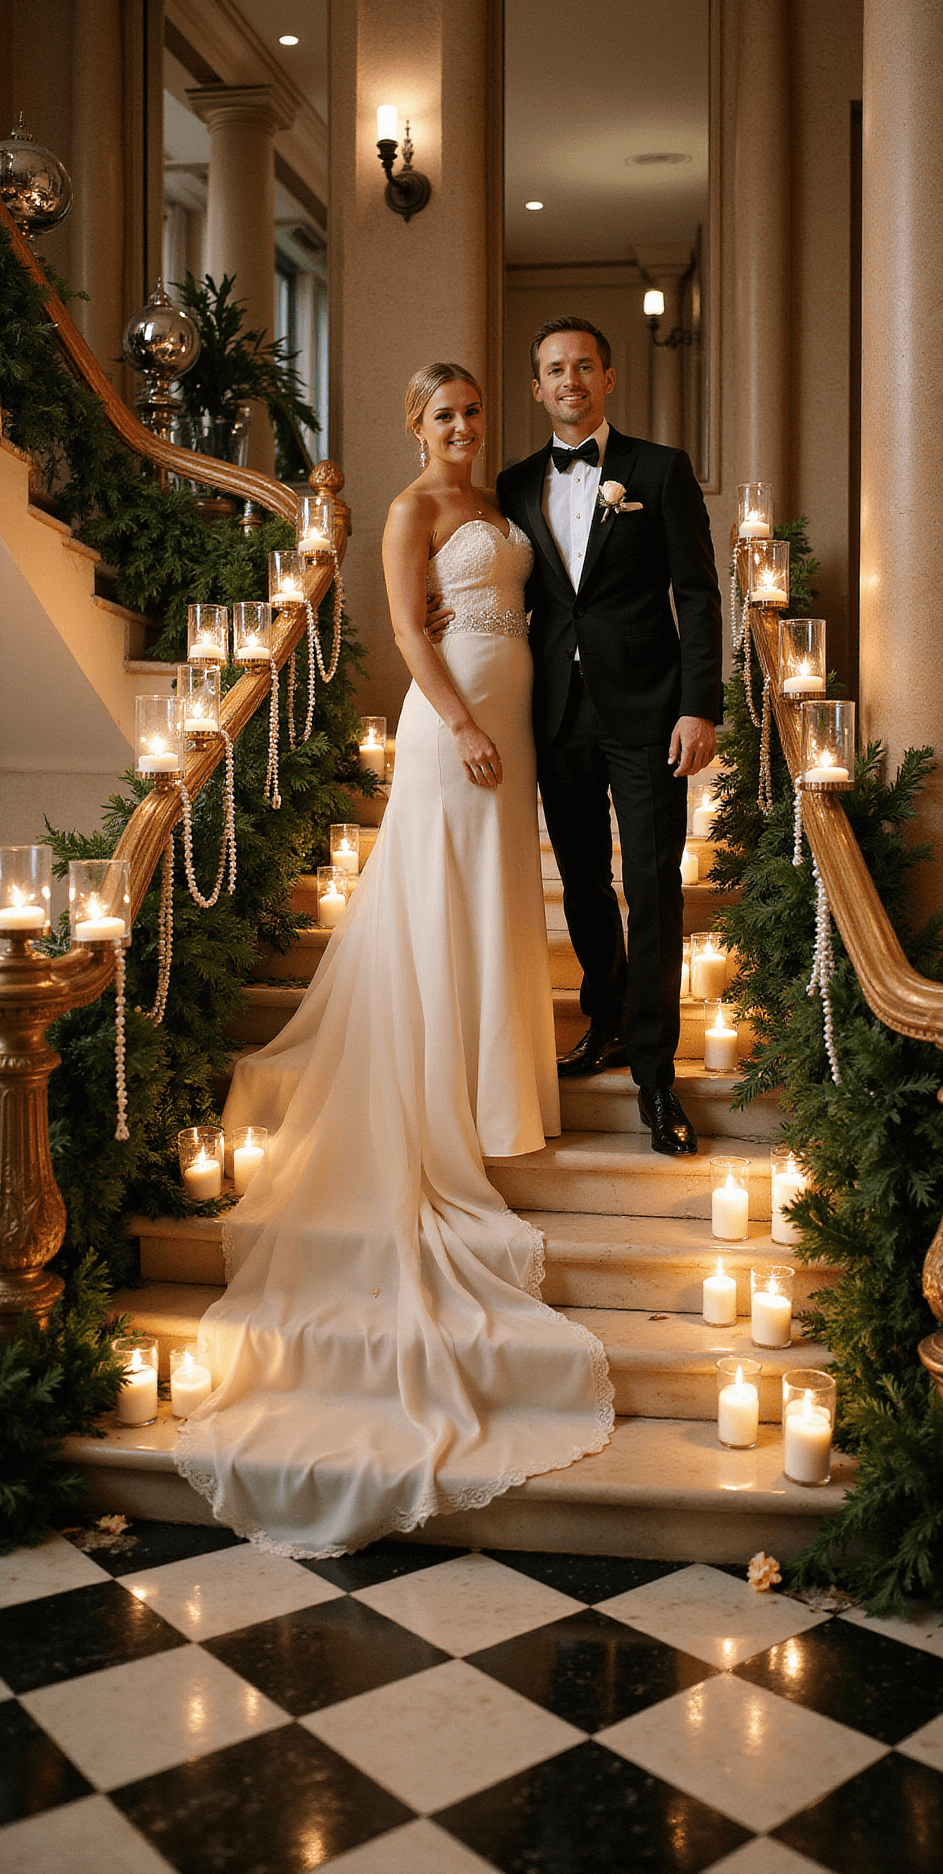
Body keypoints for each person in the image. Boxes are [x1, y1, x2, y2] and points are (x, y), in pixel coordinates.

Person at [173, 363, 613, 1557]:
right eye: (442, 416)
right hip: (456, 721)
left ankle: (494, 1078)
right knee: (438, 898)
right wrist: (464, 724)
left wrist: (505, 717)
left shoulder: (501, 506)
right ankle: (441, 1090)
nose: (462, 429)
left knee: (494, 900)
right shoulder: (416, 509)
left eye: (472, 413)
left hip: (512, 714)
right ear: (413, 425)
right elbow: (408, 633)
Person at [497, 317, 722, 1156]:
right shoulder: (513, 483)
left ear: (609, 377)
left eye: (584, 366)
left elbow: (698, 595)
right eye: (554, 369)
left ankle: (657, 1082)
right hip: (554, 711)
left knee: (654, 888)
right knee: (585, 884)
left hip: (651, 712)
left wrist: (699, 706)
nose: (570, 381)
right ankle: (606, 1023)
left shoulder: (658, 471)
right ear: (536, 387)